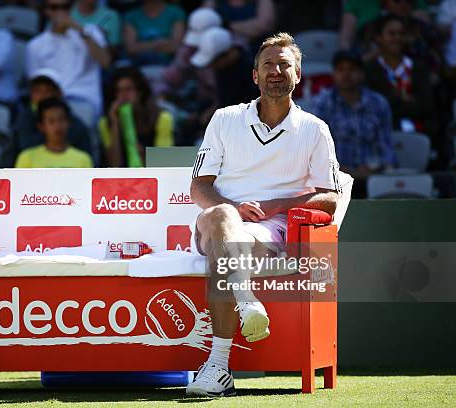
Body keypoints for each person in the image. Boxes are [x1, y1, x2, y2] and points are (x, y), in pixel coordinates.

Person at [186, 32, 340, 397]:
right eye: (268, 64)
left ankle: (218, 366)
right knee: (222, 216)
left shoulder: (315, 130)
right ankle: (246, 299)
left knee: (224, 256)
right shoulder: (225, 119)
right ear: (254, 76)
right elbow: (199, 188)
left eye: (284, 64)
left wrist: (276, 207)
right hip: (216, 224)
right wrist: (234, 209)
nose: (276, 71)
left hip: (268, 235)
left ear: (298, 75)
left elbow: (331, 198)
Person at [312, 51, 395, 198]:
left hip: (373, 177)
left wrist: (377, 168)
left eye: (352, 69)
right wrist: (343, 171)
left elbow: (386, 147)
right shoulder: (323, 103)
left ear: (362, 73)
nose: (346, 74)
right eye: (341, 69)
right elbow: (317, 151)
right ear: (334, 74)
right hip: (334, 181)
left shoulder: (378, 103)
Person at [26, 0, 110, 117]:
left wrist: (81, 31)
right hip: (51, 100)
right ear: (46, 11)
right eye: (54, 8)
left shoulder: (91, 31)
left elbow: (105, 62)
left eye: (65, 7)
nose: (60, 12)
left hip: (85, 98)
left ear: (72, 7)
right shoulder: (35, 45)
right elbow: (34, 84)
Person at [364, 14, 433, 133]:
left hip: (417, 132)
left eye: (401, 34)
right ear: (378, 38)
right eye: (391, 33)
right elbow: (373, 107)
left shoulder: (419, 68)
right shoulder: (370, 69)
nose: (397, 38)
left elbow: (427, 107)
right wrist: (404, 99)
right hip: (379, 131)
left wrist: (391, 99)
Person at [13, 70, 96, 159]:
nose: (42, 95)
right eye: (37, 91)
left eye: (48, 90)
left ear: (59, 93)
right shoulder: (22, 121)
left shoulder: (77, 126)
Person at [100, 67, 174, 167]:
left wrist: (146, 156)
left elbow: (165, 163)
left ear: (140, 92)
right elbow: (113, 165)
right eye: (118, 91)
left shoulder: (162, 118)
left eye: (128, 89)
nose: (123, 95)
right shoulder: (105, 123)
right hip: (121, 179)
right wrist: (114, 124)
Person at [15, 98, 93, 168]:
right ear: (41, 126)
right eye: (51, 121)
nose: (57, 125)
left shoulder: (83, 159)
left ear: (69, 123)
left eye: (61, 120)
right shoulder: (27, 157)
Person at [339, 0, 429, 50]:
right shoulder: (358, 3)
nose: (403, 4)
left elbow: (425, 34)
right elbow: (346, 38)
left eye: (408, 1)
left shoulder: (417, 5)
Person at [123, 0, 186, 66]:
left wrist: (142, 46)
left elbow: (176, 46)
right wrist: (158, 43)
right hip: (139, 64)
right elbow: (131, 48)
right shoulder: (132, 15)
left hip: (168, 64)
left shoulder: (176, 13)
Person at [204, 0, 275, 52]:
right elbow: (205, 24)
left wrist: (227, 25)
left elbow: (263, 25)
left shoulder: (262, 2)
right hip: (219, 51)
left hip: (255, 51)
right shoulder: (213, 2)